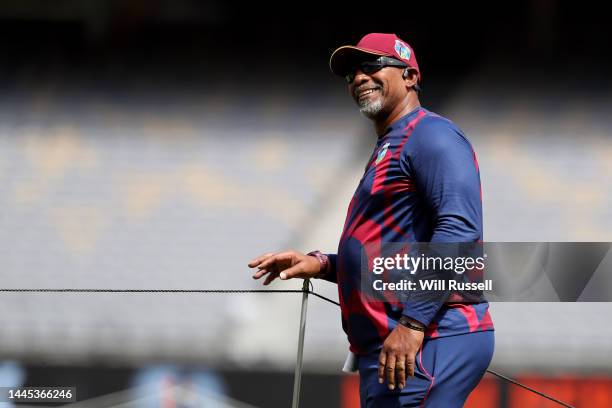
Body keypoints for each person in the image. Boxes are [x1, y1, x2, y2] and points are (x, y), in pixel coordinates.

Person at [248, 33, 494, 407]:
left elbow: (459, 232)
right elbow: (390, 252)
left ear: (410, 76)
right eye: (351, 74)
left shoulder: (431, 136)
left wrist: (412, 324)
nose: (359, 77)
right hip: (400, 343)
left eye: (371, 65)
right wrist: (323, 264)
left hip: (428, 337)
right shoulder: (391, 144)